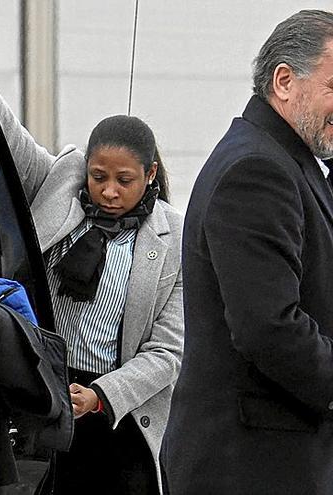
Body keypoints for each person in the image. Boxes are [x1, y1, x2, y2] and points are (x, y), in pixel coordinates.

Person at [0, 9, 184, 494]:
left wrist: (102, 396)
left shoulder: (172, 237)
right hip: (40, 391)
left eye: (124, 181)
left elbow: (168, 351)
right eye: (98, 176)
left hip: (115, 411)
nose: (108, 191)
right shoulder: (60, 183)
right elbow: (6, 138)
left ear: (150, 176)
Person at [161, 10, 333, 494]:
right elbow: (269, 328)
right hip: (251, 465)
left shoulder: (287, 161)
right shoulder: (258, 170)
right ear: (284, 81)